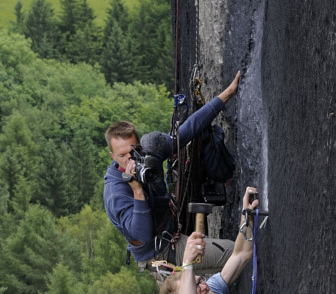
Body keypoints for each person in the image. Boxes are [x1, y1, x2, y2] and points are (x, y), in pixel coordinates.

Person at [103, 71, 241, 274]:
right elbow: (142, 233)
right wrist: (137, 190)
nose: (130, 159)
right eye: (122, 155)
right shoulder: (116, 194)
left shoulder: (147, 157)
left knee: (207, 280)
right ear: (112, 156)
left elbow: (187, 131)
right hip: (162, 253)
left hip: (172, 230)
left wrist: (227, 95)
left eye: (134, 150)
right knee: (236, 252)